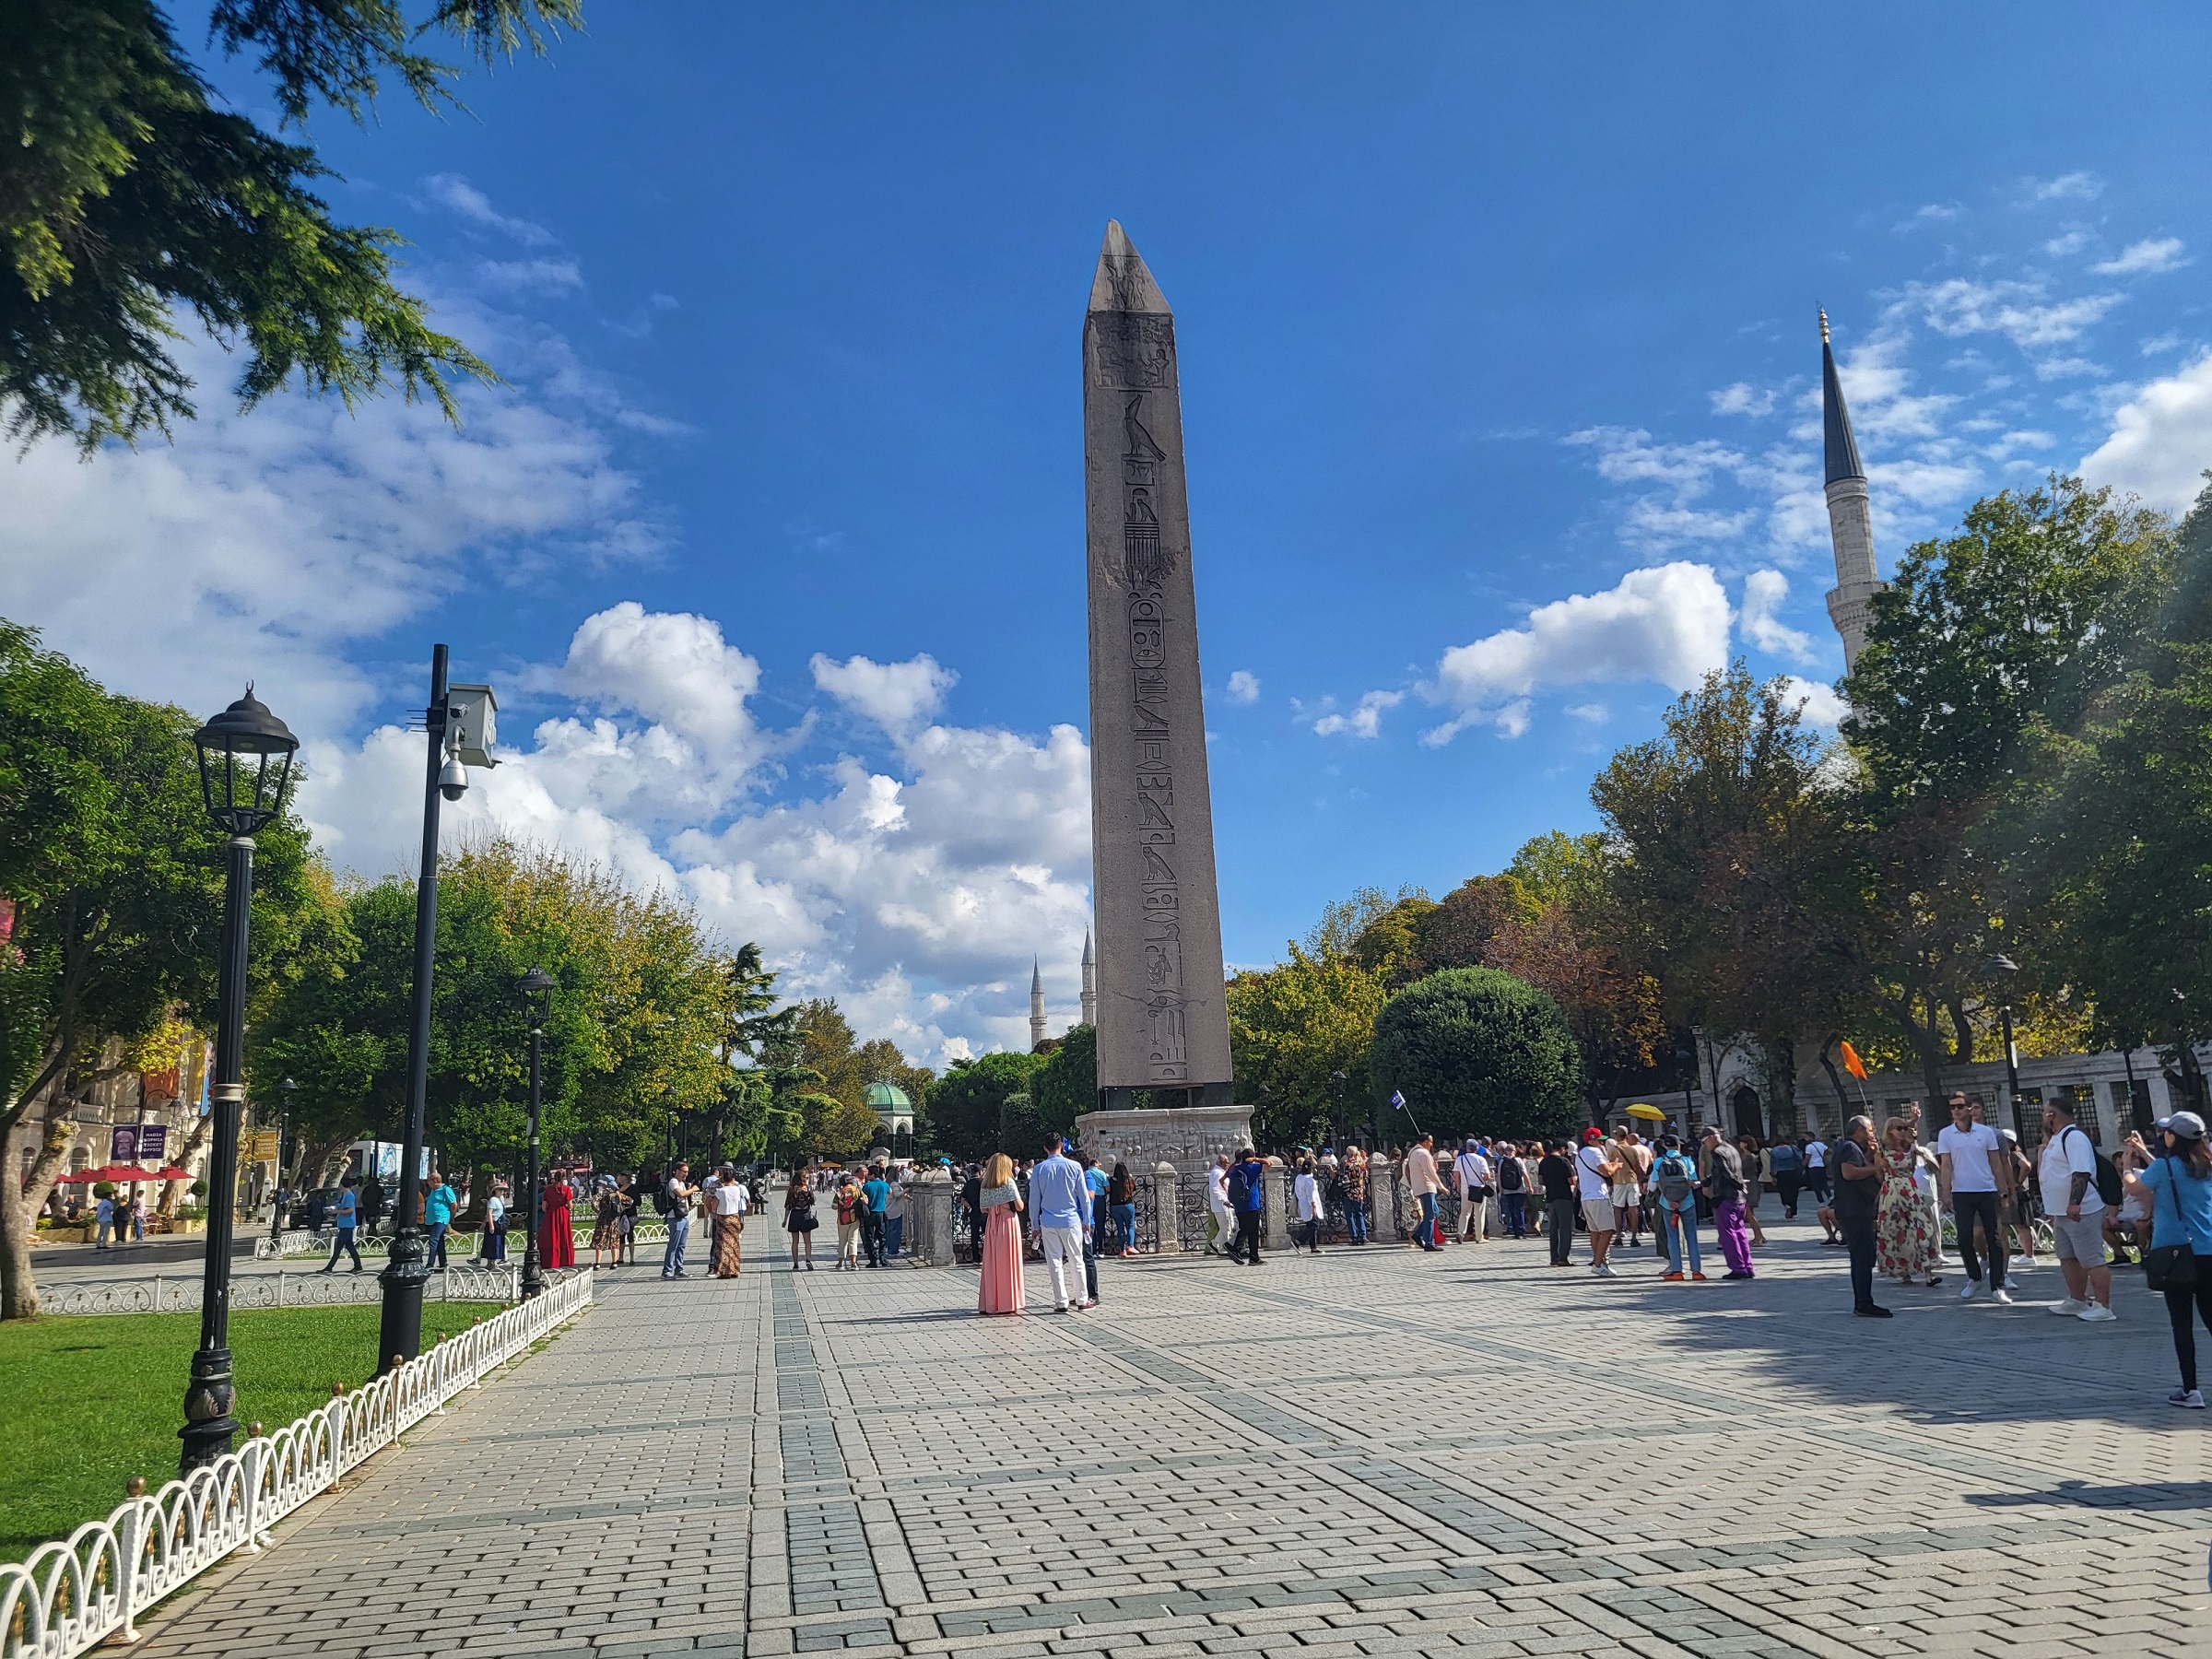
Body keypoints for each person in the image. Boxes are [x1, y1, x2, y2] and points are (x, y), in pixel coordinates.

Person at [2124, 1112, 2212, 1406]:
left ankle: (2191, 1390)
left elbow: (2135, 1187)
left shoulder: (2165, 1167)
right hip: (2207, 1252)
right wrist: (2146, 1153)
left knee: (2182, 1325)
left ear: (2172, 1137)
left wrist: (2128, 1164)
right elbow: (2170, 1174)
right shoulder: (2206, 1165)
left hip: (2176, 1255)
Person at [2041, 1098, 2113, 1321]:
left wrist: (2075, 1202)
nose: (2042, 1116)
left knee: (2091, 1258)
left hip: (2080, 1210)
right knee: (2068, 1256)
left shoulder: (2074, 1138)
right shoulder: (2057, 1139)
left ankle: (2103, 1306)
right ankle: (2077, 1300)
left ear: (2052, 1115)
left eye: (2045, 1112)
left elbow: (2080, 1172)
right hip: (2061, 1211)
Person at [1937, 1094, 2014, 1304]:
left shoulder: (1986, 1132)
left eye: (1960, 1106)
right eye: (1952, 1107)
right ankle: (1974, 1276)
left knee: (1995, 1238)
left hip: (1987, 1190)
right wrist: (1946, 1191)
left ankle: (1998, 1286)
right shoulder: (1946, 1134)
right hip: (1962, 1192)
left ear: (1970, 1108)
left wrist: (2004, 1191)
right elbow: (1946, 1164)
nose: (1956, 1111)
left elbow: (1996, 1164)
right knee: (1963, 1238)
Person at [1875, 1117, 1941, 1288]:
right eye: (1899, 1128)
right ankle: (1903, 1270)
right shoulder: (1882, 1150)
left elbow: (1913, 1169)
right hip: (1891, 1190)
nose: (1903, 1131)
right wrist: (1883, 1167)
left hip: (1910, 1189)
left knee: (1921, 1227)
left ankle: (1928, 1272)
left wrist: (1920, 1153)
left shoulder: (1911, 1148)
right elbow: (1879, 1176)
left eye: (1905, 1128)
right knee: (1895, 1229)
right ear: (1890, 1130)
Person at [1832, 1114, 1888, 1316]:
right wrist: (1876, 1167)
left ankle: (1864, 1300)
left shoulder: (1853, 1149)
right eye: (1870, 1130)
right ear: (1859, 1131)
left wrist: (1871, 1156)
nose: (1872, 1133)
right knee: (1863, 1257)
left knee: (1863, 1256)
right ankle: (1863, 1303)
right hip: (1854, 1210)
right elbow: (1849, 1172)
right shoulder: (1849, 1147)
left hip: (1855, 1209)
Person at [1700, 1127, 1753, 1278]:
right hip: (1739, 1199)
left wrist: (1737, 1185)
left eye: (1704, 1142)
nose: (1705, 1145)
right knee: (1740, 1232)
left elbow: (1726, 1174)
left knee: (1728, 1234)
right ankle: (1747, 1266)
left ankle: (1738, 1268)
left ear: (1711, 1138)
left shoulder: (1717, 1152)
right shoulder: (1731, 1149)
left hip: (1726, 1197)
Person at [977, 1152, 1027, 1314]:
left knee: (992, 1263)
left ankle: (991, 1302)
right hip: (1008, 1223)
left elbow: (983, 1208)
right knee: (1009, 1261)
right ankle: (1008, 1301)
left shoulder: (985, 1185)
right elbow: (1019, 1206)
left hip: (992, 1223)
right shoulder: (1009, 1182)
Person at [1649, 1135, 1704, 1280]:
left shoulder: (1659, 1162)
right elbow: (1692, 1181)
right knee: (1691, 1235)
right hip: (1687, 1201)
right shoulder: (1687, 1160)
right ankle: (1696, 1271)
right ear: (1678, 1145)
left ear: (1665, 1146)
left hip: (1667, 1203)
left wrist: (1669, 1199)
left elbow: (1656, 1183)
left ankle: (1676, 1270)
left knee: (1672, 1237)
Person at [1574, 1129, 1619, 1277]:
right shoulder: (1595, 1152)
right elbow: (1607, 1172)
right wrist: (1616, 1166)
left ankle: (1599, 1261)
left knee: (1595, 1232)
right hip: (1598, 1195)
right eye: (1599, 1140)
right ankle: (1598, 1264)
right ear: (1591, 1140)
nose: (1602, 1143)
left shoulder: (1580, 1154)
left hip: (1586, 1197)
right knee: (1608, 1230)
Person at [1538, 1140, 1577, 1267]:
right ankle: (1563, 1257)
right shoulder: (1564, 1161)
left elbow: (1540, 1180)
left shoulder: (1544, 1161)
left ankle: (1554, 1257)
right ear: (1562, 1149)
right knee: (1565, 1228)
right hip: (1564, 1196)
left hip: (1550, 1197)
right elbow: (1572, 1180)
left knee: (1553, 1228)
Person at [1227, 1147, 1266, 1265]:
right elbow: (1269, 1163)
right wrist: (1256, 1159)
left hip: (1239, 1205)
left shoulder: (1235, 1169)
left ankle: (1241, 1251)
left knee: (1245, 1228)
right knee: (1252, 1231)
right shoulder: (1253, 1168)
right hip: (1251, 1204)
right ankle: (1243, 1252)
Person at [1405, 1134, 1444, 1252]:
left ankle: (1418, 1234)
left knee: (1433, 1212)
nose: (1432, 1144)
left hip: (1419, 1186)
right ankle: (1429, 1242)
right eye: (1431, 1142)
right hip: (1427, 1187)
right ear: (1425, 1142)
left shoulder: (1412, 1152)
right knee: (1430, 1215)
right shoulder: (1423, 1153)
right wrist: (1441, 1186)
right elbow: (1429, 1172)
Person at [321, 1174, 364, 1273]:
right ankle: (358, 1266)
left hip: (347, 1224)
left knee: (338, 1246)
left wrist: (337, 1212)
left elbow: (350, 1210)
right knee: (349, 1246)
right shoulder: (346, 1195)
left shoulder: (349, 1196)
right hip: (345, 1224)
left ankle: (329, 1267)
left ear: (342, 1185)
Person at [1453, 1138, 1491, 1245]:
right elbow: (1487, 1176)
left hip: (1465, 1189)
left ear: (1467, 1148)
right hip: (1478, 1189)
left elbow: (1456, 1175)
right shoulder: (1480, 1159)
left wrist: (1459, 1187)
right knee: (1479, 1213)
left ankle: (1460, 1233)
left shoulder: (1460, 1159)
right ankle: (1479, 1237)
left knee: (1464, 1212)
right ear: (1477, 1148)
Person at [1608, 1129, 1643, 1248]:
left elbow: (1610, 1165)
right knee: (1633, 1209)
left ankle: (1618, 1236)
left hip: (1618, 1181)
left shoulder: (1613, 1149)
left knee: (1618, 1208)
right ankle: (1634, 1237)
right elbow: (1638, 1167)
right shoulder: (1632, 1149)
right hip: (1632, 1180)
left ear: (1617, 1136)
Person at [711, 1162, 747, 1277]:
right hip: (735, 1218)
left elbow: (714, 1207)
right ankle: (734, 1269)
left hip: (723, 1218)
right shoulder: (737, 1189)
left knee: (723, 1245)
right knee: (734, 1244)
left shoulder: (721, 1191)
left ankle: (724, 1270)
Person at [661, 1162, 695, 1279]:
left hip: (684, 1216)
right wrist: (693, 1189)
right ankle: (667, 1270)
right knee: (673, 1245)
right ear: (677, 1171)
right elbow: (680, 1194)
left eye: (687, 1172)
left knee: (682, 1245)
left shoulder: (682, 1183)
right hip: (675, 1216)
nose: (686, 1174)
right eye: (684, 1171)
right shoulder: (673, 1181)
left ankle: (679, 1269)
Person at [540, 1169, 576, 1271]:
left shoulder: (548, 1190)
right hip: (563, 1214)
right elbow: (570, 1206)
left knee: (551, 1236)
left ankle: (551, 1260)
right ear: (564, 1178)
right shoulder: (567, 1190)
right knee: (564, 1235)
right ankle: (565, 1260)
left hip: (551, 1215)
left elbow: (544, 1207)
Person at [1735, 1135, 1768, 1248]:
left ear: (1745, 1144)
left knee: (1749, 1212)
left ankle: (1758, 1236)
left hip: (1750, 1185)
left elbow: (1741, 1170)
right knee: (1749, 1213)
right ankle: (1759, 1236)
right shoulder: (1747, 1156)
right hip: (1750, 1183)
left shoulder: (1748, 1157)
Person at [784, 1165, 818, 1270]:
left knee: (795, 1242)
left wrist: (785, 1220)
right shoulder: (807, 1189)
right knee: (807, 1241)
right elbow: (813, 1201)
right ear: (803, 1178)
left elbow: (788, 1206)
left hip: (794, 1216)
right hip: (805, 1215)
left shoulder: (792, 1190)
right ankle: (808, 1259)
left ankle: (795, 1263)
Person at [1494, 1139, 1530, 1239]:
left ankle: (1515, 1231)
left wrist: (1501, 1189)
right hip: (1519, 1189)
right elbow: (1525, 1174)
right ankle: (1521, 1231)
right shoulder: (1518, 1160)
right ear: (1514, 1151)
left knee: (1512, 1210)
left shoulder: (1502, 1161)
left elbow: (1499, 1176)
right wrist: (1529, 1186)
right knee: (1520, 1210)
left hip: (1507, 1190)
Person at [861, 1162, 891, 1268]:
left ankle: (873, 1260)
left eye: (868, 1174)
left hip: (869, 1213)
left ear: (872, 1175)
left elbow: (863, 1198)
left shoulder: (867, 1186)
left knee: (870, 1237)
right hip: (881, 1213)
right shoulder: (884, 1184)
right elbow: (890, 1192)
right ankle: (883, 1258)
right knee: (882, 1236)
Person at [424, 1171, 457, 1270]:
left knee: (433, 1240)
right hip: (432, 1220)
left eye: (428, 1181)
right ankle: (443, 1263)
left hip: (441, 1218)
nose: (427, 1183)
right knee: (439, 1241)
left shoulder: (446, 1190)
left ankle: (430, 1264)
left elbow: (454, 1204)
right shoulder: (433, 1190)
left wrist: (451, 1217)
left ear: (435, 1181)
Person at [1767, 1136, 1803, 1218]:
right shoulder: (1793, 1148)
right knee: (1794, 1192)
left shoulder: (1774, 1150)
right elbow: (1800, 1158)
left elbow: (1773, 1163)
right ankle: (1794, 1212)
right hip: (1793, 1171)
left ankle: (1786, 1204)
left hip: (1781, 1173)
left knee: (1783, 1191)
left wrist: (1773, 1175)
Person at [1108, 1161, 1138, 1258]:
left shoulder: (1111, 1181)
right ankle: (1131, 1246)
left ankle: (1122, 1250)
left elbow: (1108, 1190)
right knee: (1130, 1226)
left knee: (1120, 1228)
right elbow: (1134, 1189)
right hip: (1127, 1205)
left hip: (1115, 1206)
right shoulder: (1129, 1180)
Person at [1293, 1158, 1324, 1253]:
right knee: (1314, 1224)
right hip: (1310, 1204)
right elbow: (1311, 1194)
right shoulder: (1309, 1179)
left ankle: (1313, 1246)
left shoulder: (1299, 1177)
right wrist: (1314, 1206)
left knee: (1310, 1224)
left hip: (1303, 1203)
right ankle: (1298, 1241)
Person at [1206, 1154, 1234, 1255]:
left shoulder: (1220, 1172)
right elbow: (1215, 1190)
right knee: (1226, 1226)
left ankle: (1216, 1244)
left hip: (1224, 1204)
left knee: (1228, 1226)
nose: (1228, 1165)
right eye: (1226, 1163)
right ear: (1221, 1162)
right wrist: (1224, 1201)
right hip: (1221, 1205)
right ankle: (1221, 1247)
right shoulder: (1217, 1173)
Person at [1341, 1146, 1370, 1245]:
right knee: (1359, 1214)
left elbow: (1340, 1177)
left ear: (1348, 1154)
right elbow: (1366, 1177)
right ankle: (1363, 1235)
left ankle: (1354, 1237)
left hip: (1347, 1193)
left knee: (1350, 1216)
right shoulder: (1362, 1164)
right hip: (1359, 1193)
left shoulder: (1346, 1164)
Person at [591, 1181, 620, 1268]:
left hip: (603, 1220)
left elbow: (593, 1203)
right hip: (614, 1220)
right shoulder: (617, 1194)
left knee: (600, 1240)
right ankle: (614, 1262)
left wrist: (599, 1211)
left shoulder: (602, 1193)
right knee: (614, 1241)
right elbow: (629, 1201)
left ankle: (597, 1263)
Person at [960, 1162, 986, 1262]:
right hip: (984, 1211)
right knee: (987, 1235)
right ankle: (987, 1255)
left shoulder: (968, 1184)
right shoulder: (983, 1183)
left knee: (974, 1236)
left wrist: (969, 1206)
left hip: (973, 1212)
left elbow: (963, 1199)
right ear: (980, 1172)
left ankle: (976, 1257)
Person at [479, 1182, 508, 1264]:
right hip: (494, 1222)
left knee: (496, 1243)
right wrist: (491, 1225)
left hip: (499, 1223)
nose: (502, 1192)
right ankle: (490, 1262)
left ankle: (493, 1262)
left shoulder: (499, 1200)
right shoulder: (492, 1200)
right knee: (491, 1243)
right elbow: (489, 1213)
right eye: (500, 1190)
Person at [883, 1175, 910, 1260]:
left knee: (890, 1231)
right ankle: (894, 1251)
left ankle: (889, 1249)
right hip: (896, 1211)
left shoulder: (887, 1184)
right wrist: (906, 1190)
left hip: (889, 1210)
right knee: (895, 1231)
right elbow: (897, 1194)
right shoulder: (894, 1184)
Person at [1803, 1134, 1830, 1203]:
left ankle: (1821, 1201)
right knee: (1824, 1183)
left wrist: (1803, 1166)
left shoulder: (1809, 1146)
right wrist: (1823, 1155)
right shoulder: (1820, 1144)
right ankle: (1830, 1197)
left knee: (1816, 1185)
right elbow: (1829, 1150)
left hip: (1813, 1167)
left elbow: (1807, 1158)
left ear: (1810, 1137)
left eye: (1806, 1137)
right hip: (1821, 1166)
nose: (1804, 1139)